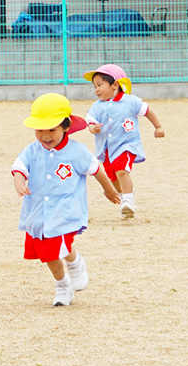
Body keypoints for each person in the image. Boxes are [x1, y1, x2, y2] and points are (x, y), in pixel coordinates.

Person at [13, 94, 122, 306]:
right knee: (50, 251)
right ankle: (73, 262)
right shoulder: (32, 151)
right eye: (40, 129)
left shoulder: (76, 151)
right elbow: (19, 167)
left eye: (51, 129)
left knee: (54, 248)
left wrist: (108, 190)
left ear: (66, 126)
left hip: (65, 211)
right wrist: (19, 182)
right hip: (38, 213)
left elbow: (96, 169)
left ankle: (62, 286)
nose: (45, 135)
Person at [80, 64, 163, 218]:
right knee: (113, 177)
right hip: (107, 149)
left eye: (100, 85)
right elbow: (90, 123)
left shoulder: (130, 101)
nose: (96, 90)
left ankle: (129, 201)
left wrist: (158, 126)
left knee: (121, 170)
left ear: (115, 85)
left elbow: (147, 111)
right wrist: (94, 128)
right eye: (94, 86)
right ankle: (126, 194)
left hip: (127, 145)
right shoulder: (97, 106)